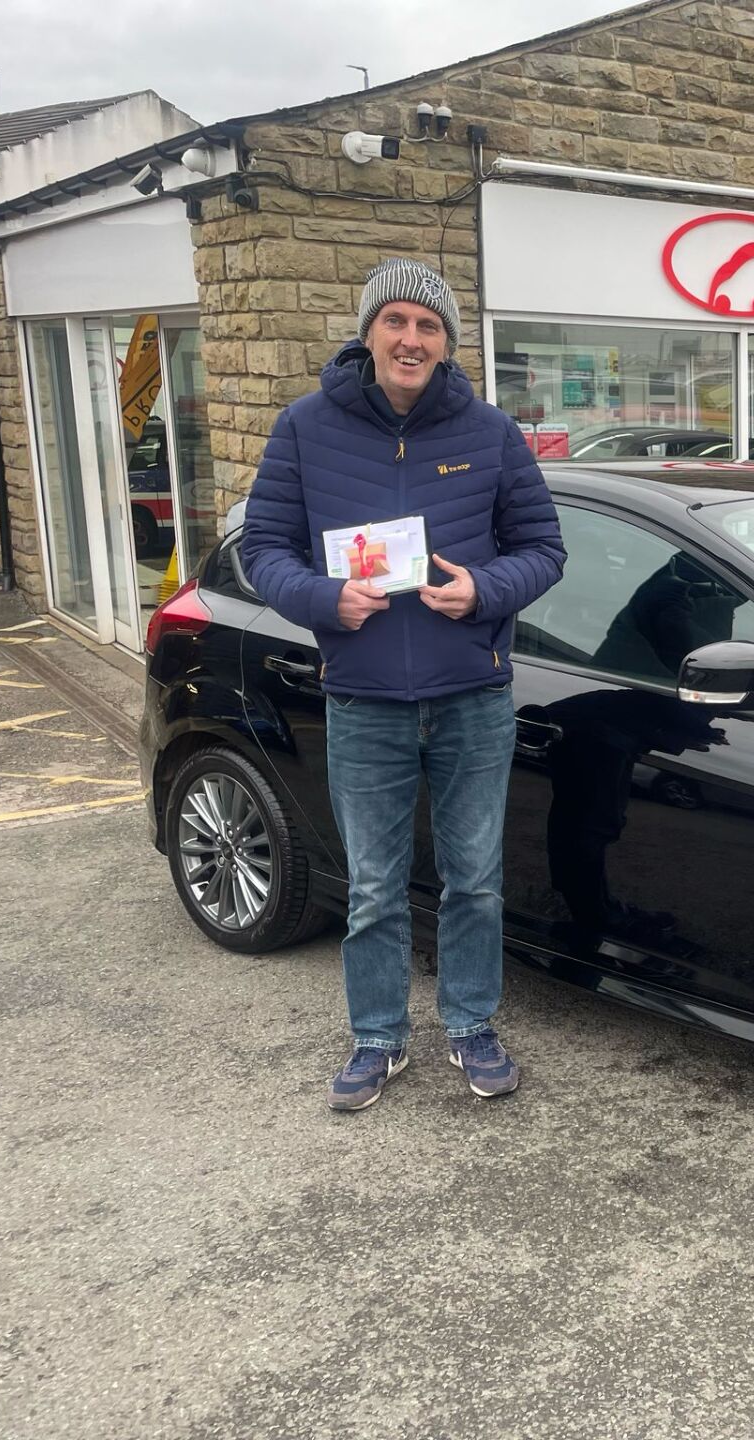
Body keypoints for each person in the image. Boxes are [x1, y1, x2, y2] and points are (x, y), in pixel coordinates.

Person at [241, 258, 566, 1111]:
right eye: (396, 322)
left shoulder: (490, 433)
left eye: (429, 328)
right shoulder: (306, 428)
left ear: (448, 344)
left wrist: (483, 591)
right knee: (376, 887)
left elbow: (544, 548)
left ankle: (471, 1025)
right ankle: (377, 1039)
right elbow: (261, 549)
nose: (411, 339)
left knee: (475, 879)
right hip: (364, 700)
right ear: (368, 332)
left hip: (472, 697)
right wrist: (320, 597)